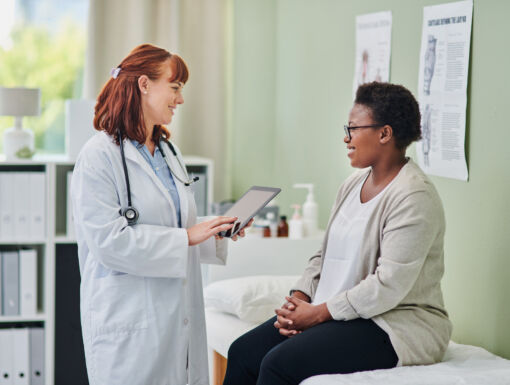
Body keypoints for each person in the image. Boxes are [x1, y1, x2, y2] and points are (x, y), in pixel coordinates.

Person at [223, 82, 452, 385]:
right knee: (243, 352)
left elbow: (388, 285)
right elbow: (324, 254)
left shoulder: (414, 197)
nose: (346, 138)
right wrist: (299, 299)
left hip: (394, 323)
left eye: (353, 128)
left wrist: (317, 313)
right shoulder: (352, 184)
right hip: (342, 313)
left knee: (279, 364)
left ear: (385, 133)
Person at [71, 44, 245, 385]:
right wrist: (188, 237)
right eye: (175, 87)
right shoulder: (98, 156)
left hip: (176, 315)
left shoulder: (169, 151)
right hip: (128, 322)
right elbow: (108, 242)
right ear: (143, 85)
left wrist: (215, 231)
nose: (180, 100)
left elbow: (178, 225)